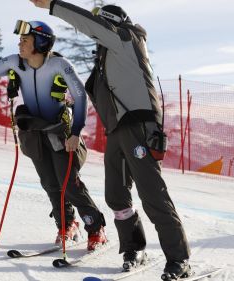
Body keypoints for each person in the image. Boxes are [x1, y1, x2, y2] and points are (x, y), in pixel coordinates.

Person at [29, 0, 192, 279]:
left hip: (138, 127)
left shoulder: (126, 37)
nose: (97, 33)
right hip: (117, 131)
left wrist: (54, 5)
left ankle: (179, 260)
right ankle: (134, 248)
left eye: (101, 22)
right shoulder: (110, 55)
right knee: (116, 196)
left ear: (110, 22)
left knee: (153, 196)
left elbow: (91, 25)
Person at [0, 20, 107, 251]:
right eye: (20, 40)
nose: (19, 44)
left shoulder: (60, 64)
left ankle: (96, 228)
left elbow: (81, 98)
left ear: (40, 42)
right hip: (34, 133)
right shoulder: (15, 62)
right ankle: (66, 225)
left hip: (60, 133)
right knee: (50, 183)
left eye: (25, 40)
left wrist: (76, 133)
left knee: (69, 184)